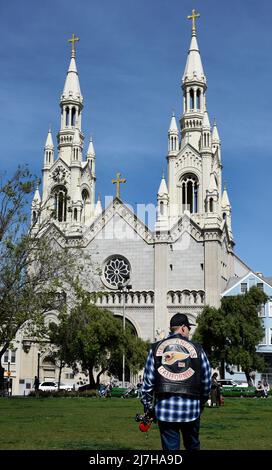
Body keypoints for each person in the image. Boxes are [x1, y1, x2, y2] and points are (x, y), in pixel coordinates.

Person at [141, 313, 211, 450]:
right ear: (184, 328)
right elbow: (206, 381)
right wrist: (201, 403)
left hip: (165, 410)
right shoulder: (197, 349)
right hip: (191, 409)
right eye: (189, 329)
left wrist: (149, 407)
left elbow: (147, 383)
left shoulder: (156, 348)